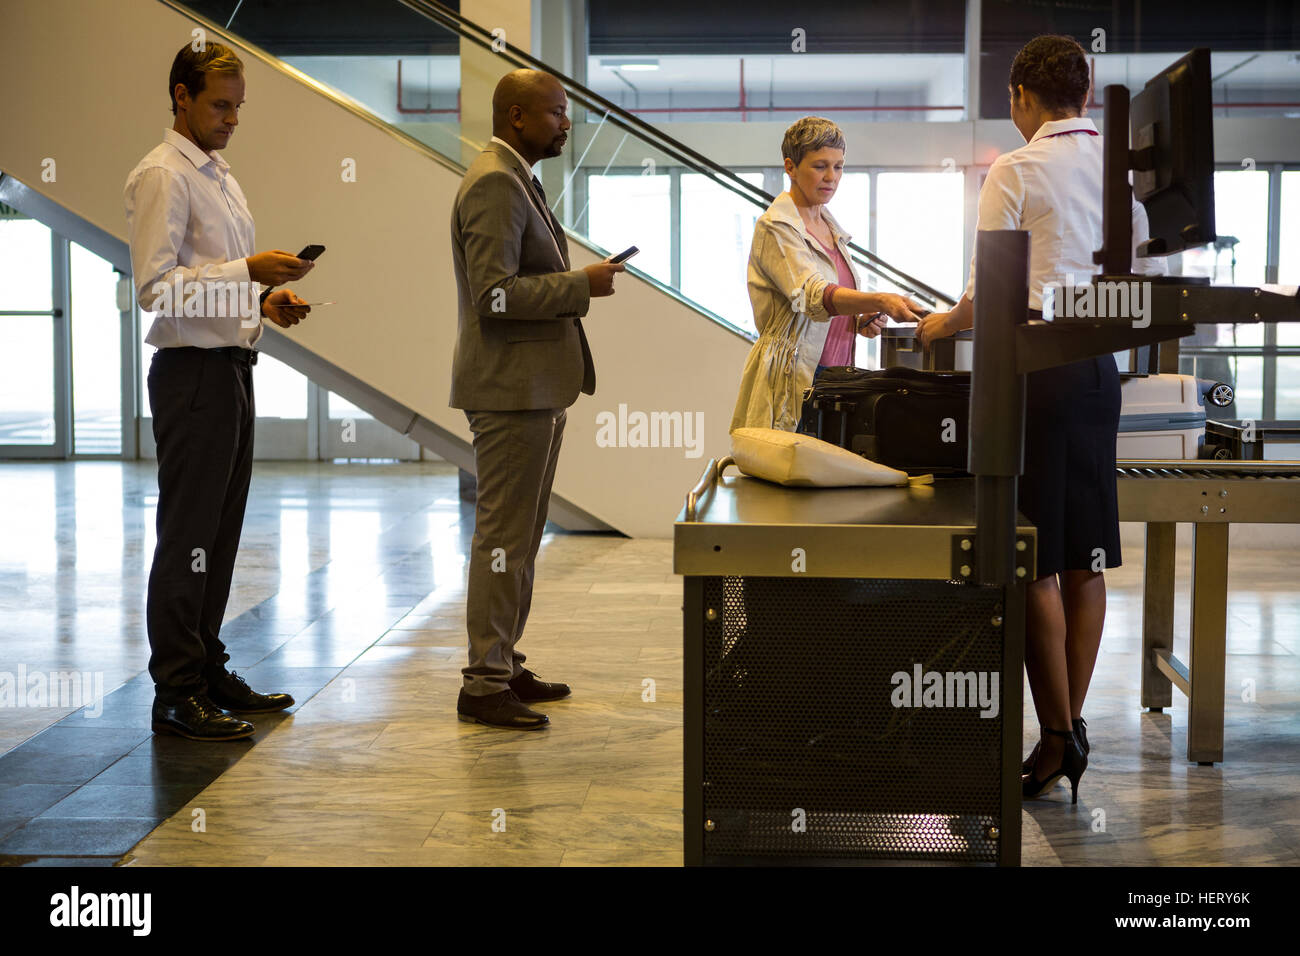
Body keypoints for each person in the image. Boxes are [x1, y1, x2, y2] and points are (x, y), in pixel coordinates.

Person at [918, 35, 1166, 801]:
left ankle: (1057, 733)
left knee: (1031, 555)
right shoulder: (1129, 173)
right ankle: (1069, 727)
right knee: (1086, 555)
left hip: (1033, 375)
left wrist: (935, 328)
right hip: (1100, 376)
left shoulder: (1017, 168)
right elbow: (1150, 281)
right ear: (1088, 96)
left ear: (1023, 96)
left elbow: (992, 289)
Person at [126, 42, 316, 741]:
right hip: (193, 380)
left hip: (232, 367)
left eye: (238, 106)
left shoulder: (220, 175)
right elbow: (155, 289)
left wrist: (264, 303)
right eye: (219, 104)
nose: (232, 118)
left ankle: (205, 669)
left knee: (220, 536)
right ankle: (175, 692)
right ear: (181, 97)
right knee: (188, 539)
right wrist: (244, 269)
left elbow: (210, 285)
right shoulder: (163, 176)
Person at [450, 69, 625, 731]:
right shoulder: (496, 181)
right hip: (508, 389)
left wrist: (575, 281)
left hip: (531, 387)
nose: (566, 123)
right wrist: (581, 285)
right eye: (556, 112)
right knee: (502, 538)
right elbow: (493, 295)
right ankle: (484, 683)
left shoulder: (516, 176)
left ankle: (503, 663)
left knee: (519, 538)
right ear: (518, 116)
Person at [730, 115, 924, 433]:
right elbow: (811, 295)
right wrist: (880, 299)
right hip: (797, 377)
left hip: (837, 379)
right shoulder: (776, 226)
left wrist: (860, 319)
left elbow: (829, 308)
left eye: (839, 166)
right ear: (790, 167)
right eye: (820, 166)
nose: (831, 177)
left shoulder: (831, 228)